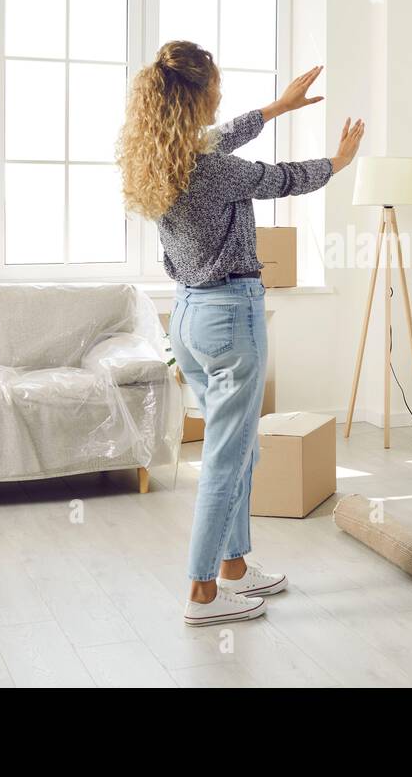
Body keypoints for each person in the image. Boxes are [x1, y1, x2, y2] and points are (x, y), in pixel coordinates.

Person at [118, 40, 364, 626]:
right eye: (217, 87)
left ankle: (233, 567)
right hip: (230, 314)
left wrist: (278, 108)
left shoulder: (161, 157)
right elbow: (281, 178)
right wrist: (339, 163)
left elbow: (223, 134)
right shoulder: (211, 172)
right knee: (227, 462)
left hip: (187, 320)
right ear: (197, 95)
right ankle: (202, 593)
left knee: (237, 449)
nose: (221, 95)